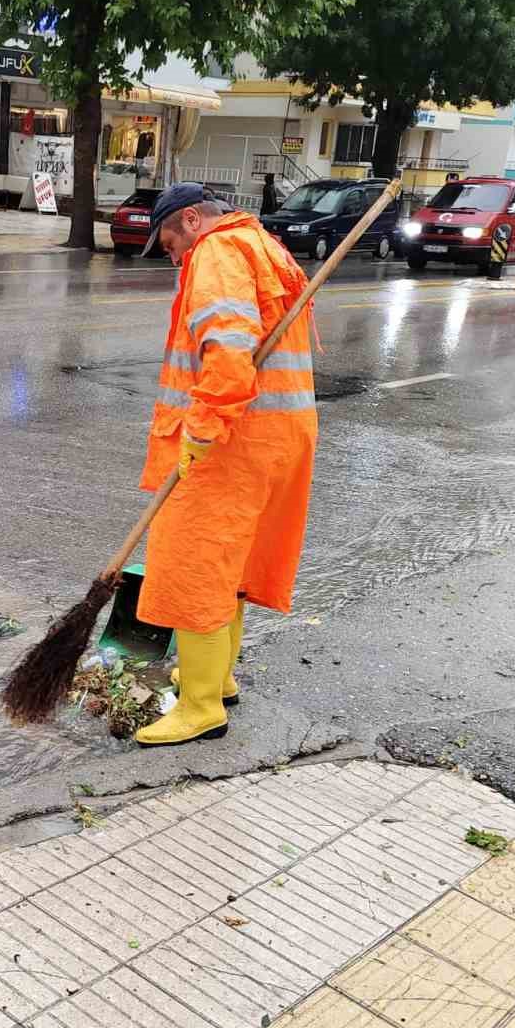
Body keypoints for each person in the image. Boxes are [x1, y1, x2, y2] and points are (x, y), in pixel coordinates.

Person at [133, 183, 317, 747]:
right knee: (230, 566)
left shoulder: (216, 251)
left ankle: (200, 706)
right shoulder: (263, 245)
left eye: (168, 241)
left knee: (195, 565)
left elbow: (230, 355)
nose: (170, 255)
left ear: (192, 220)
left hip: (231, 442)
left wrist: (202, 431)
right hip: (275, 437)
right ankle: (215, 676)